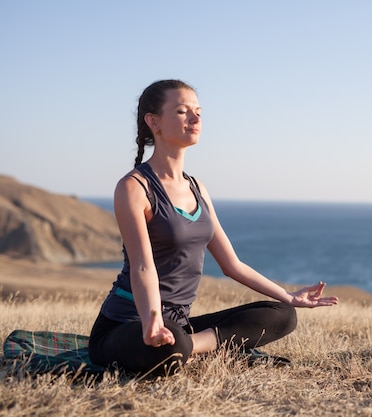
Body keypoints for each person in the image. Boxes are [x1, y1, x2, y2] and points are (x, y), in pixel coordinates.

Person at [88, 79, 338, 376]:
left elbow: (231, 265)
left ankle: (189, 346)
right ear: (153, 121)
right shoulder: (134, 187)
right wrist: (152, 319)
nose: (195, 119)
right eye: (183, 112)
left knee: (282, 316)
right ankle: (184, 346)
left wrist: (289, 296)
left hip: (178, 325)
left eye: (199, 112)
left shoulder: (197, 189)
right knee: (170, 347)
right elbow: (143, 267)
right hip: (129, 322)